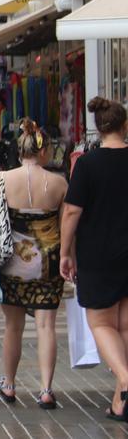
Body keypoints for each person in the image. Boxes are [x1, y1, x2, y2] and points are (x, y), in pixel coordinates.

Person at [0, 119, 67, 410]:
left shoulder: (2, 179)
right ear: (44, 152)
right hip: (49, 260)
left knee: (12, 325)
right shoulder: (59, 182)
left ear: (19, 151)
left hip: (12, 260)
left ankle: (10, 384)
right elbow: (68, 223)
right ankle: (46, 390)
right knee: (46, 325)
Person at [61, 97, 128, 421]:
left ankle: (127, 381)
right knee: (126, 326)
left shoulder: (86, 165)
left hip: (98, 254)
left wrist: (64, 251)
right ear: (124, 125)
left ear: (98, 129)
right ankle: (120, 402)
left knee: (102, 323)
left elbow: (72, 210)